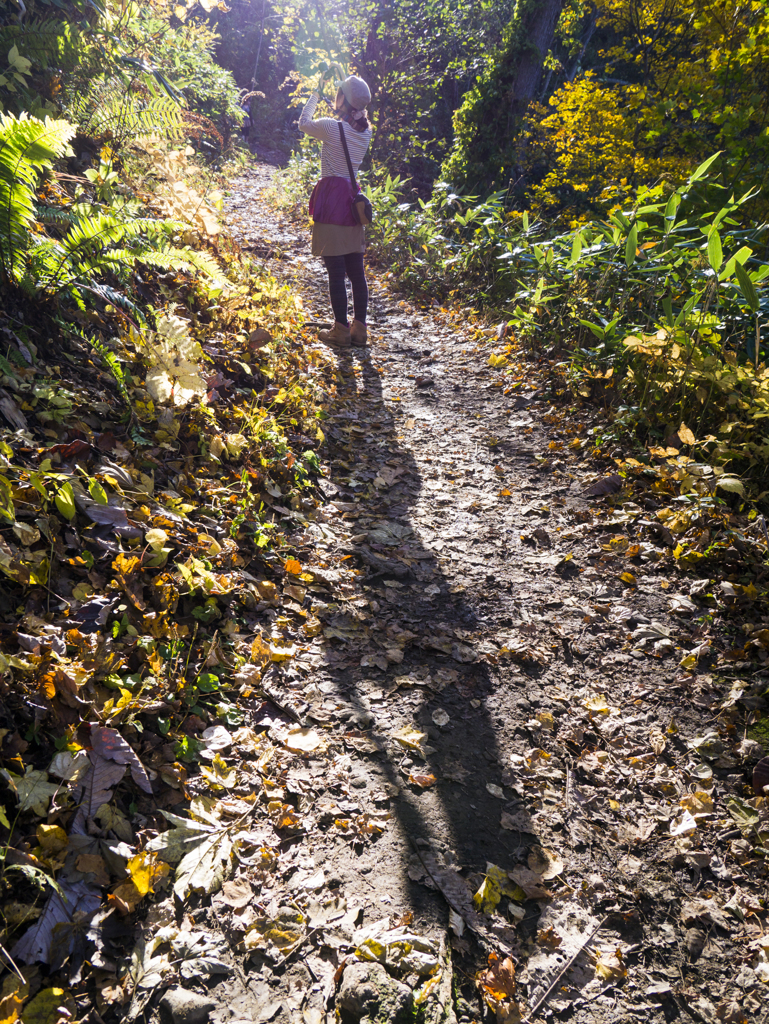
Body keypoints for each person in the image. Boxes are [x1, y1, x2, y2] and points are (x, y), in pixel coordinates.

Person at [299, 74, 372, 348]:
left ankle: (340, 330)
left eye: (338, 92)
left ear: (343, 99)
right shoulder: (366, 131)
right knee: (356, 270)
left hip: (332, 201)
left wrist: (316, 94)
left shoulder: (332, 128)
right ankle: (360, 329)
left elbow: (303, 123)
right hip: (353, 203)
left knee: (335, 269)